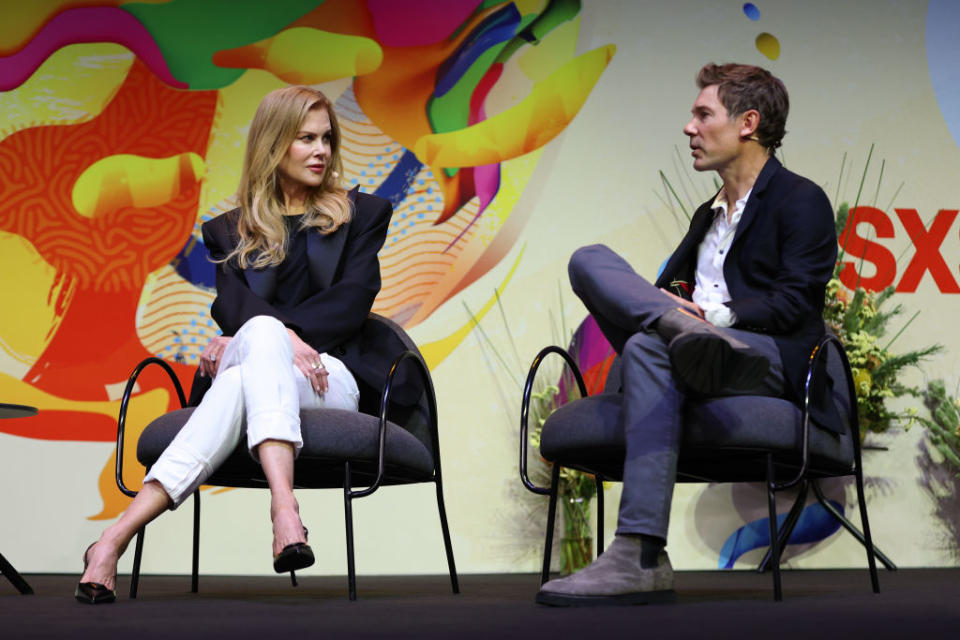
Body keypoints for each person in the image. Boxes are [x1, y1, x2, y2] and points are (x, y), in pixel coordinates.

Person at [76, 86, 393, 604]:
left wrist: (261, 334)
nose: (322, 151)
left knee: (256, 341)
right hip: (265, 376)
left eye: (327, 139)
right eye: (305, 139)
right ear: (273, 145)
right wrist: (273, 335)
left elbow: (351, 304)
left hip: (329, 378)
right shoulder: (228, 231)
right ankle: (122, 540)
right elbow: (232, 307)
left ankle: (116, 538)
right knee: (252, 363)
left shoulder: (363, 214)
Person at [536, 63, 838, 606]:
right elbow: (657, 292)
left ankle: (640, 555)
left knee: (656, 345)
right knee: (590, 261)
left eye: (703, 114)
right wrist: (677, 314)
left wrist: (713, 316)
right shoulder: (707, 215)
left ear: (748, 123)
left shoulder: (801, 200)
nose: (688, 128)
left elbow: (795, 305)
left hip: (763, 356)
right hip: (685, 347)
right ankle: (683, 335)